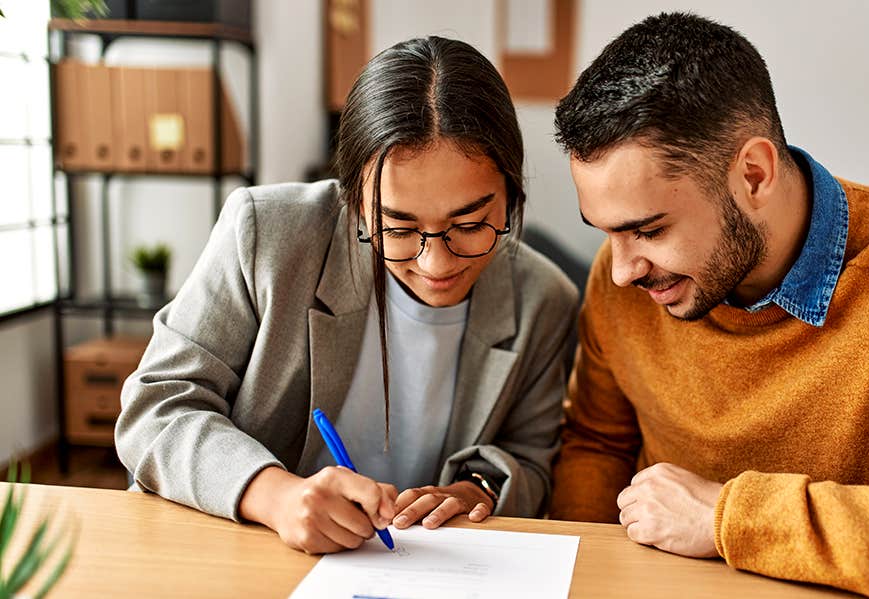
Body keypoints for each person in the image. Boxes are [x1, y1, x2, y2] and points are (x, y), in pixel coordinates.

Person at [549, 12, 869, 598]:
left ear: (753, 175)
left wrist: (728, 517)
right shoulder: (627, 279)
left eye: (648, 231)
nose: (621, 269)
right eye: (606, 232)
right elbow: (597, 445)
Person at [116, 37, 577, 555]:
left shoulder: (544, 299)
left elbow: (531, 459)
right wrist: (276, 496)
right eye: (397, 228)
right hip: (238, 557)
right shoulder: (266, 235)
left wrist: (477, 490)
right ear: (354, 200)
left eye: (469, 224)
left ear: (512, 197)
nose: (436, 264)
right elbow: (155, 407)